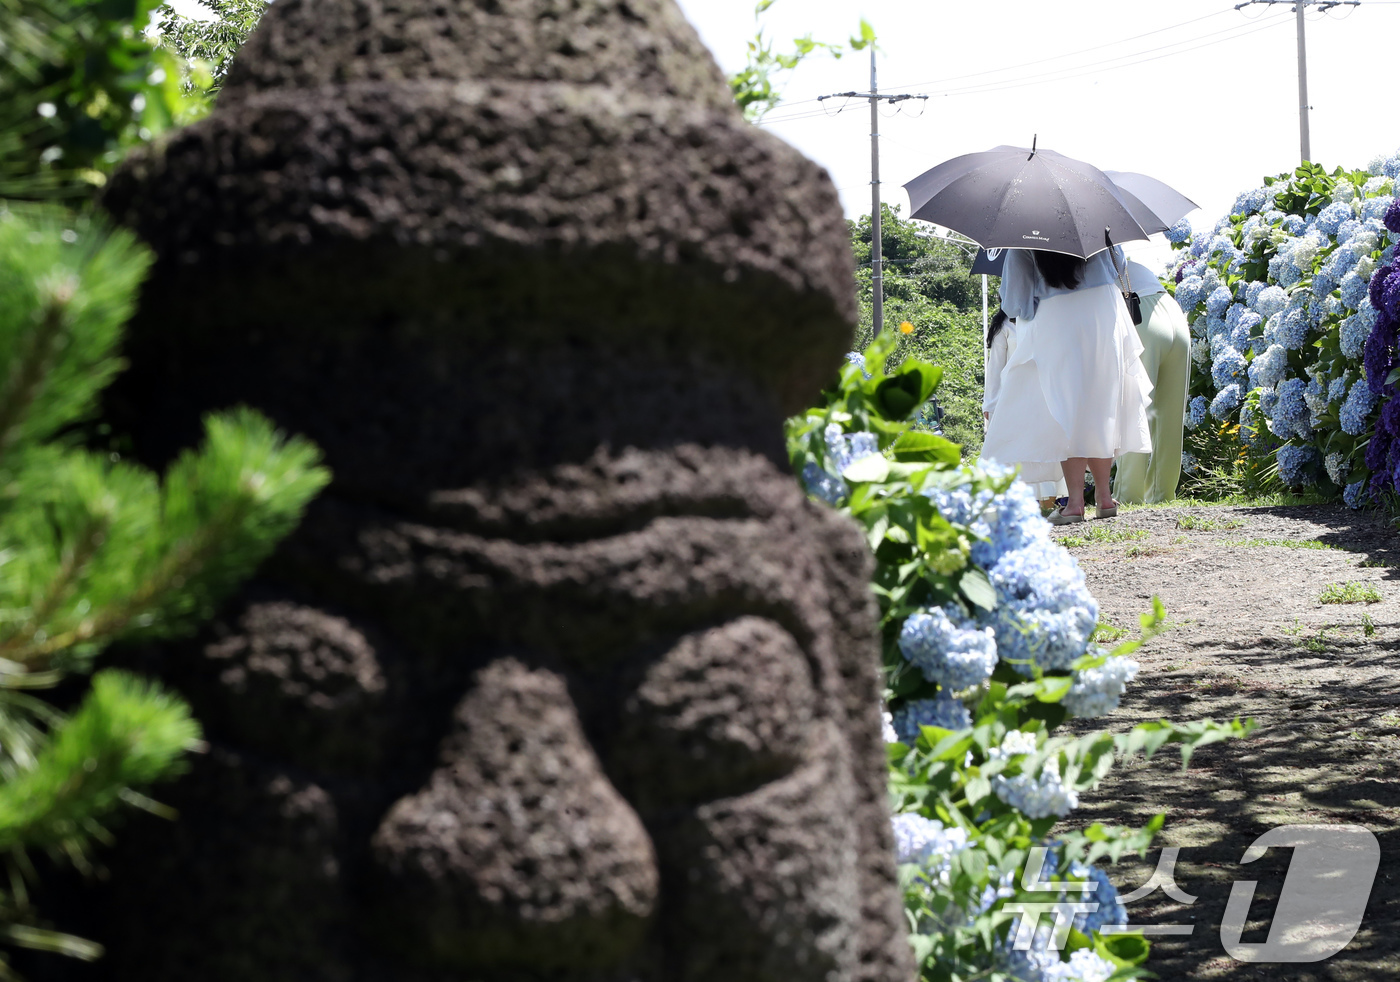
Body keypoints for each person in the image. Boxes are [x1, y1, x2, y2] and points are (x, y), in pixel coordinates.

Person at [980, 247, 1152, 525]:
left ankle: (1075, 504)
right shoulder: (1094, 217)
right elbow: (1119, 264)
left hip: (1055, 314)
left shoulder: (1026, 231)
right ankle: (1105, 499)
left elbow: (1014, 303)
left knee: (1065, 408)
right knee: (1100, 401)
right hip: (1104, 309)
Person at [1112, 260, 1190, 504]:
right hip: (1172, 311)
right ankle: (1162, 496)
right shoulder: (1120, 255)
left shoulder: (1084, 262)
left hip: (1139, 314)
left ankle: (1128, 497)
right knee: (1169, 417)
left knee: (1134, 411)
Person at [983, 308, 1067, 505]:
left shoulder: (1042, 319)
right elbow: (995, 368)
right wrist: (990, 404)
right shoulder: (1003, 328)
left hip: (1042, 398)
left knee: (1043, 452)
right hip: (1012, 401)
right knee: (1015, 454)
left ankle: (1047, 502)